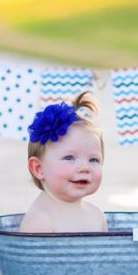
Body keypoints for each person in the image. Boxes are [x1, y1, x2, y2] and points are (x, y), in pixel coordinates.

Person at [19, 92, 108, 233]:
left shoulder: (97, 216)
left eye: (93, 159)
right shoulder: (42, 220)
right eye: (69, 158)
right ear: (38, 168)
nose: (85, 167)